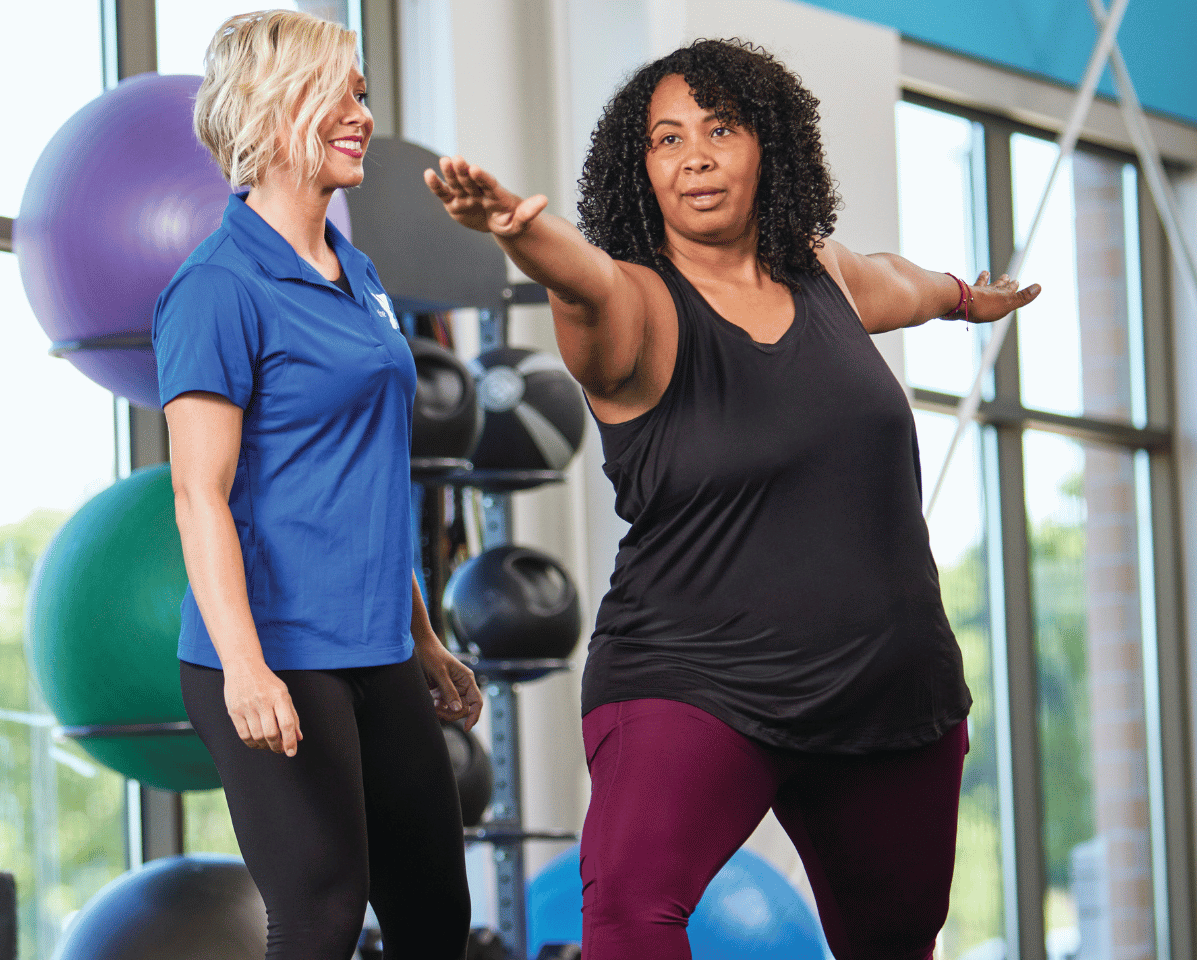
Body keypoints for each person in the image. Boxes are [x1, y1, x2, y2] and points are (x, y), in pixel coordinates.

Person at [425, 37, 1040, 960]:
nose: (697, 157)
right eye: (667, 140)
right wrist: (519, 226)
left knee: (899, 939)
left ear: (771, 149)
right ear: (641, 171)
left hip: (885, 682)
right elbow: (581, 280)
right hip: (695, 676)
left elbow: (897, 282)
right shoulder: (634, 306)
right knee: (631, 912)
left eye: (721, 129)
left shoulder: (821, 272)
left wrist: (961, 295)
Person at [152, 11, 480, 960]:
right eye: (339, 93)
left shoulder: (358, 273)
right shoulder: (217, 286)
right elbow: (198, 496)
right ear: (269, 108)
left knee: (435, 919)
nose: (361, 115)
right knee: (322, 918)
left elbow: (369, 475)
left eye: (363, 95)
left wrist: (420, 635)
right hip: (275, 649)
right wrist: (245, 666)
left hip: (376, 644)